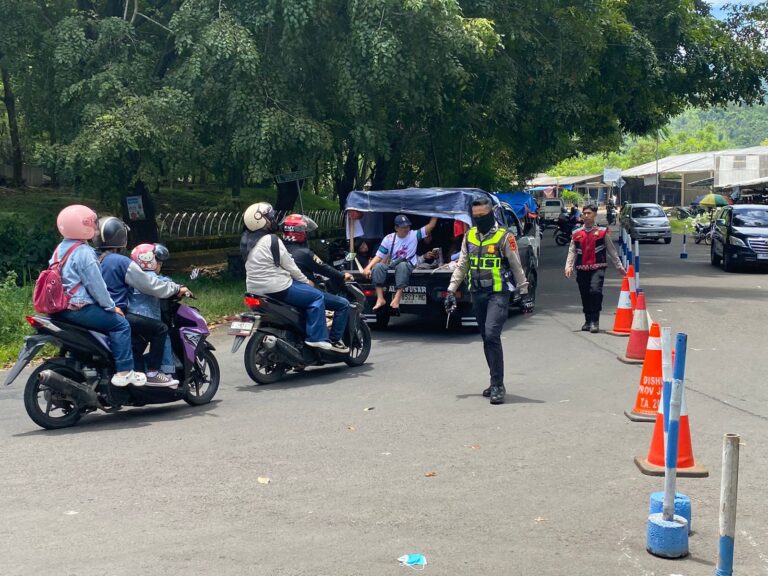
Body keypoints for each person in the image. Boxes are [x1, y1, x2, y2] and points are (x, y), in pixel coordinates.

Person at [444, 197, 534, 405]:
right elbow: (463, 264)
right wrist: (451, 290)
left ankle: (497, 386)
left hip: (498, 293)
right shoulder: (470, 236)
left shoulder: (504, 236)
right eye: (475, 217)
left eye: (483, 216)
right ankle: (494, 380)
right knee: (486, 337)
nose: (479, 220)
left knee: (492, 333)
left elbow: (516, 265)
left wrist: (524, 292)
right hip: (477, 294)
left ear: (491, 213)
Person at [49, 205, 145, 387]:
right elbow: (96, 285)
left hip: (59, 308)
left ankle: (84, 368)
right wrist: (111, 307)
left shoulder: (60, 249)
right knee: (120, 325)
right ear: (83, 226)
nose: (95, 227)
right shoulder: (84, 252)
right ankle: (125, 371)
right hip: (78, 308)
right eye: (93, 223)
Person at [95, 216, 190, 387]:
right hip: (117, 312)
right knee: (160, 329)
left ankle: (137, 373)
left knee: (136, 343)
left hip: (95, 311)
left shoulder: (93, 258)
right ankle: (154, 372)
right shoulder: (121, 262)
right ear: (121, 237)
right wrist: (176, 289)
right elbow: (150, 285)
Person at [242, 202, 346, 353]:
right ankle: (317, 338)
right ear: (261, 220)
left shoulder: (246, 241)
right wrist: (306, 281)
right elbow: (290, 266)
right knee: (316, 296)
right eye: (270, 217)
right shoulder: (272, 240)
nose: (273, 220)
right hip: (277, 287)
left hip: (253, 288)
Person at [280, 213, 351, 351]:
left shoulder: (280, 249)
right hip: (300, 290)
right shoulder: (304, 253)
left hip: (282, 290)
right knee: (343, 304)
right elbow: (324, 268)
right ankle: (335, 341)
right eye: (304, 231)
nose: (307, 234)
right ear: (299, 233)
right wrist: (342, 276)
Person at [564, 203, 626, 333]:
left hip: (598, 268)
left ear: (595, 215)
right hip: (581, 269)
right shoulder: (576, 233)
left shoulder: (603, 232)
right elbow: (572, 251)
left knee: (595, 291)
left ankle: (595, 321)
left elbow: (612, 251)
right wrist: (568, 266)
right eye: (584, 213)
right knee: (585, 294)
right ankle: (587, 320)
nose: (586, 216)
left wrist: (619, 266)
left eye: (589, 213)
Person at [362, 214, 438, 311]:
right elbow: (379, 256)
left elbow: (431, 226)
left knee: (402, 265)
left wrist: (436, 212)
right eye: (403, 227)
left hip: (407, 265)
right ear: (396, 228)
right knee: (378, 267)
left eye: (408, 226)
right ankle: (380, 299)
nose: (406, 229)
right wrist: (368, 267)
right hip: (392, 264)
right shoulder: (388, 238)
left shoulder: (414, 235)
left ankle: (397, 299)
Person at [128, 243, 177, 378]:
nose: (160, 265)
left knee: (136, 350)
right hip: (147, 318)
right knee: (164, 334)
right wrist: (178, 288)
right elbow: (163, 285)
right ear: (150, 261)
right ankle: (165, 371)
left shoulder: (134, 275)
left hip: (131, 317)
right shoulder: (151, 276)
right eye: (159, 262)